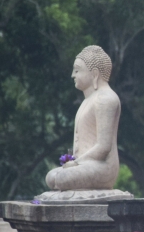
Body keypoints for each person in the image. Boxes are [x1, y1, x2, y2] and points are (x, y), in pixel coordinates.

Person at [44, 45, 122, 191]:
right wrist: (75, 163)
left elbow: (104, 146)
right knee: (51, 176)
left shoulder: (106, 99)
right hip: (84, 165)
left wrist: (77, 163)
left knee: (62, 178)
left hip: (102, 166)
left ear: (95, 73)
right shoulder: (87, 101)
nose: (72, 75)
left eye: (77, 70)